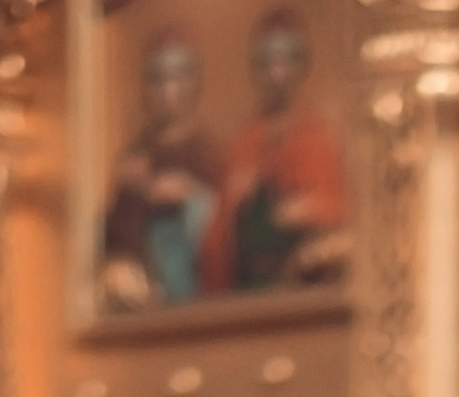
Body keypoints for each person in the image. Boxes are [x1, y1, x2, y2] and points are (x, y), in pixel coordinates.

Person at [203, 8, 351, 294]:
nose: (277, 73)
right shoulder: (242, 144)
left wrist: (305, 209)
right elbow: (217, 238)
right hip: (250, 285)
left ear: (302, 65)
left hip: (304, 280)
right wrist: (237, 201)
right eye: (267, 62)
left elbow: (340, 208)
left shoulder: (317, 137)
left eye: (286, 60)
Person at [100, 26, 223, 311]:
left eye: (179, 76)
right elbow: (117, 233)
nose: (169, 91)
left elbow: (226, 226)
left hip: (192, 287)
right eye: (158, 79)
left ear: (196, 82)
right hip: (142, 289)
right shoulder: (135, 154)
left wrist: (194, 198)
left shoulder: (206, 152)